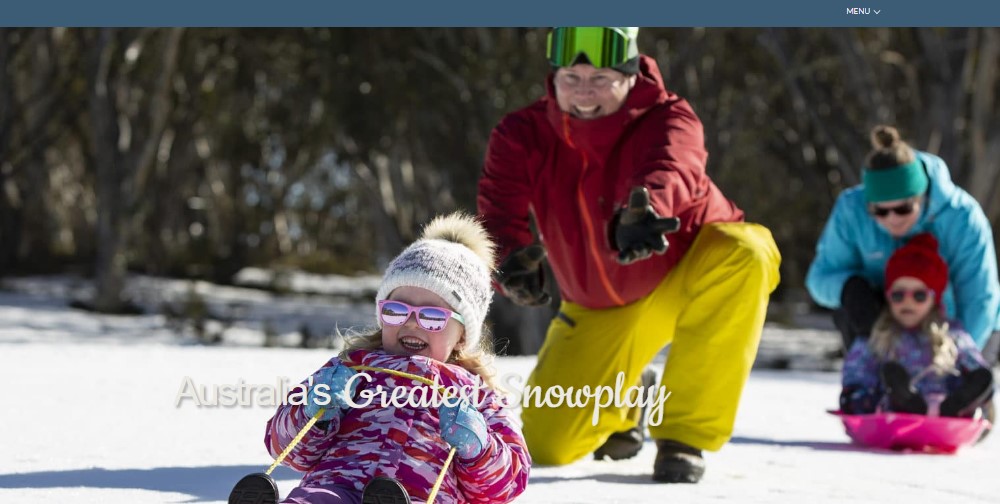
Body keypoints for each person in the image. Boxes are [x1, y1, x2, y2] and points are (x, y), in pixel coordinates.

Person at [478, 27, 781, 483]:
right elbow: (499, 208)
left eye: (600, 77)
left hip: (686, 274)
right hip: (600, 306)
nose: (583, 92)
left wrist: (649, 209)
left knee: (750, 250)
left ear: (630, 74)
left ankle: (683, 435)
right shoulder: (521, 133)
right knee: (546, 444)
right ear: (552, 78)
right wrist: (512, 260)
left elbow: (673, 164)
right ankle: (628, 399)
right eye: (571, 78)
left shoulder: (669, 115)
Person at [264, 213, 530, 503]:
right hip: (336, 488)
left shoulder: (476, 396)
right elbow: (284, 446)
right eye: (396, 310)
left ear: (463, 335)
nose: (412, 323)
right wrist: (314, 412)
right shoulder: (352, 370)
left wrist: (479, 448)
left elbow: (506, 485)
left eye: (431, 316)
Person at [806, 125, 1000, 363]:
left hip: (959, 325)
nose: (893, 219)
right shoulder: (851, 210)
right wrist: (849, 288)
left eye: (903, 208)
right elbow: (819, 279)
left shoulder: (962, 216)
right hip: (888, 324)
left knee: (954, 390)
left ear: (922, 196)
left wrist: (956, 360)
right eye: (880, 211)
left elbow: (979, 299)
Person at [840, 233, 994, 418]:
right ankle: (899, 400)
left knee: (973, 377)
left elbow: (972, 359)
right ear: (888, 297)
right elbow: (857, 372)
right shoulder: (877, 335)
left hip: (945, 409)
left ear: (934, 299)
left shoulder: (952, 334)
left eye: (919, 295)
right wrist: (857, 395)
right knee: (865, 391)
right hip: (886, 411)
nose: (908, 302)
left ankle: (964, 405)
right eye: (898, 295)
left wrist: (977, 380)